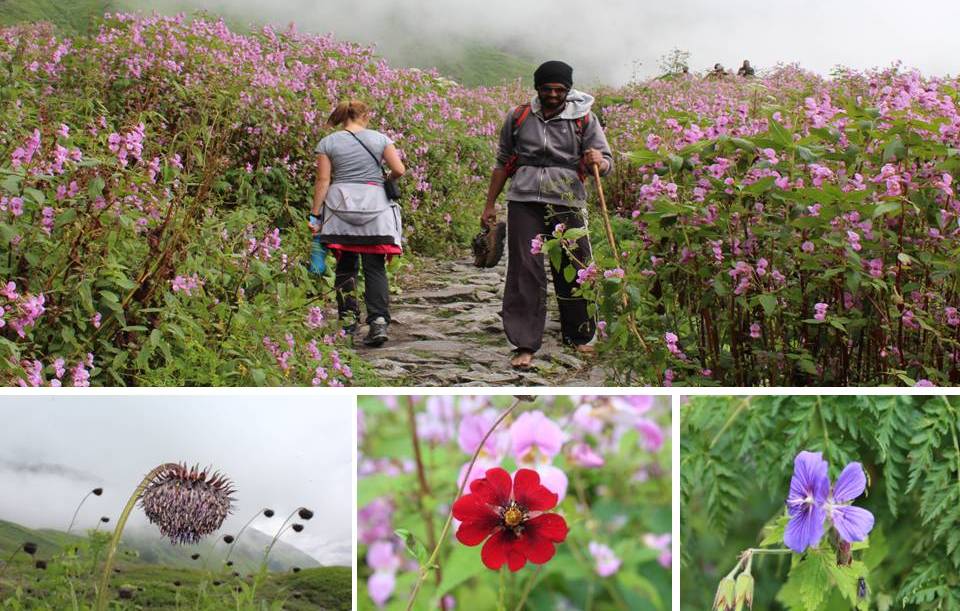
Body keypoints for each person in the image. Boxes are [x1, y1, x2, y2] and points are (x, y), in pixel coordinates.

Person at [481, 60, 614, 370]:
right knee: (524, 268)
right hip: (524, 197)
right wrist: (490, 204)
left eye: (559, 89)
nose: (553, 94)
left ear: (568, 89)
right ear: (537, 88)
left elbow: (605, 161)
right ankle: (524, 343)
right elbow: (502, 162)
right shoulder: (518, 116)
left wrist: (601, 161)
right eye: (547, 89)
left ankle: (579, 334)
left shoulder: (585, 118)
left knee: (575, 264)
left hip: (566, 198)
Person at [310, 100, 405, 347]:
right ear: (365, 115)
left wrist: (315, 214)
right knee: (375, 267)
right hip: (376, 209)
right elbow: (399, 169)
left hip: (341, 209)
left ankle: (348, 322)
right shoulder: (381, 139)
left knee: (346, 267)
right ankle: (379, 322)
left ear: (343, 117)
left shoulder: (328, 142)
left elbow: (323, 180)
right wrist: (388, 178)